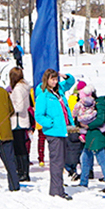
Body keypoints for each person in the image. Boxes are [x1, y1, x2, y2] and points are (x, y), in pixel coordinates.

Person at [34, 68, 73, 201]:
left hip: (62, 130)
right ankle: (57, 191)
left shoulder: (58, 91)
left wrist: (66, 76)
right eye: (52, 79)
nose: (55, 82)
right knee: (56, 162)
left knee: (61, 161)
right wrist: (50, 123)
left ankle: (58, 188)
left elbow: (71, 82)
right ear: (47, 79)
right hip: (53, 132)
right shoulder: (43, 95)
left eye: (56, 79)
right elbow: (38, 115)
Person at [75, 86, 105, 191]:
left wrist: (88, 126)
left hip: (97, 136)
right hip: (90, 136)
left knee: (102, 160)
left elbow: (100, 119)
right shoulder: (90, 104)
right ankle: (83, 182)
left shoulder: (100, 104)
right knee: (85, 158)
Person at [6, 66, 34, 184]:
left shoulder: (17, 89)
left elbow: (19, 106)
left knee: (19, 148)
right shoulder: (24, 87)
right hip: (22, 120)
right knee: (22, 147)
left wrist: (9, 107)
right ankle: (24, 171)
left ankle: (22, 171)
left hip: (17, 121)